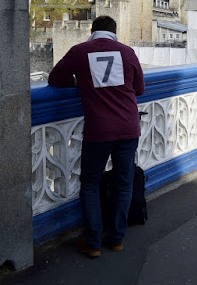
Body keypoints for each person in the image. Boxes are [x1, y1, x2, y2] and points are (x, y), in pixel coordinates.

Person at [48, 15, 145, 257]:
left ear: (92, 30)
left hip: (99, 130)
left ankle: (92, 242)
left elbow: (55, 78)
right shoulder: (128, 52)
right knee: (124, 183)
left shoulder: (80, 51)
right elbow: (140, 89)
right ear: (115, 32)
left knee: (90, 183)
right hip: (129, 127)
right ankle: (117, 239)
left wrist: (81, 82)